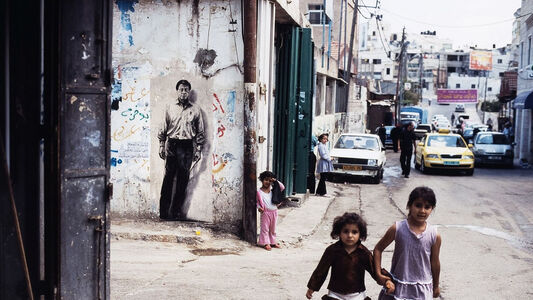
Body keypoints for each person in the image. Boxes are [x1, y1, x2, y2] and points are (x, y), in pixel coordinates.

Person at [373, 186, 442, 300]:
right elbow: (378, 249)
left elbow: (435, 262)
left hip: (422, 289)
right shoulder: (398, 228)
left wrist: (436, 286)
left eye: (427, 207)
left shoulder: (434, 235)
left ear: (432, 209)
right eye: (418, 205)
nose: (422, 211)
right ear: (409, 205)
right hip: (398, 286)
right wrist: (378, 274)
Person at [306, 212, 392, 300]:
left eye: (354, 232)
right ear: (339, 232)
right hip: (335, 294)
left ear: (360, 234)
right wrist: (312, 287)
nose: (350, 235)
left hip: (357, 295)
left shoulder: (363, 252)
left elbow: (374, 269)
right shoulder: (332, 250)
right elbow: (321, 270)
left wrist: (387, 280)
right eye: (346, 231)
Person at [158, 79, 205, 220]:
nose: (183, 92)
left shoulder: (195, 109)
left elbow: (200, 131)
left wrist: (198, 149)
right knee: (168, 179)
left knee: (183, 180)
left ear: (189, 92)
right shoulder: (170, 107)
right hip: (172, 144)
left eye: (186, 90)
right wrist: (161, 144)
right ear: (177, 91)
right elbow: (163, 126)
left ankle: (176, 212)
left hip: (187, 147)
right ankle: (164, 213)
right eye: (181, 90)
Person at [256, 171, 285, 251]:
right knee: (265, 228)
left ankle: (272, 242)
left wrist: (275, 181)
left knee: (273, 228)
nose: (267, 182)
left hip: (274, 212)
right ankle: (265, 243)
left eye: (269, 180)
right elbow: (257, 202)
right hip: (265, 212)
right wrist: (259, 208)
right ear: (262, 180)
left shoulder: (273, 190)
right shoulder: (259, 192)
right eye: (265, 180)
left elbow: (282, 187)